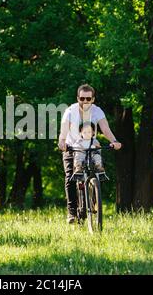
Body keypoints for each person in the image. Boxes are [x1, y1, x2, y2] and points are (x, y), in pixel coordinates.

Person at [58, 84, 122, 224]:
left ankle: (93, 195)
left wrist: (114, 141)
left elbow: (105, 128)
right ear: (77, 98)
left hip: (90, 147)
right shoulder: (70, 111)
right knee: (70, 178)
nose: (85, 101)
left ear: (93, 99)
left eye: (88, 98)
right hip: (72, 147)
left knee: (96, 170)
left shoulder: (97, 111)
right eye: (82, 98)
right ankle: (72, 212)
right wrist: (62, 142)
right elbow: (63, 130)